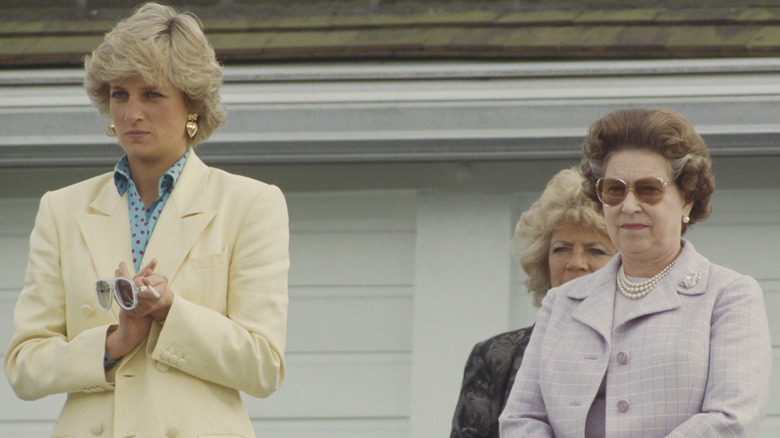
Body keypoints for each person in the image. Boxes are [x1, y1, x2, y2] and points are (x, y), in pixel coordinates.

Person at [4, 3, 289, 437]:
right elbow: (24, 367)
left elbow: (263, 366)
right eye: (120, 94)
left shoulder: (251, 204)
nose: (131, 113)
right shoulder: (61, 209)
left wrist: (171, 311)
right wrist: (112, 345)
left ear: (192, 104)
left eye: (152, 94)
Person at [499, 108, 772, 437]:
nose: (629, 206)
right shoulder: (561, 302)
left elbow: (732, 418)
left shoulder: (727, 295)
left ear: (686, 199)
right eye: (615, 189)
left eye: (648, 189)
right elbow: (521, 418)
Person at [450, 167, 617, 438]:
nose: (575, 263)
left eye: (595, 250)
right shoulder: (495, 358)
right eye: (561, 249)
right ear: (543, 260)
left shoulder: (647, 347)